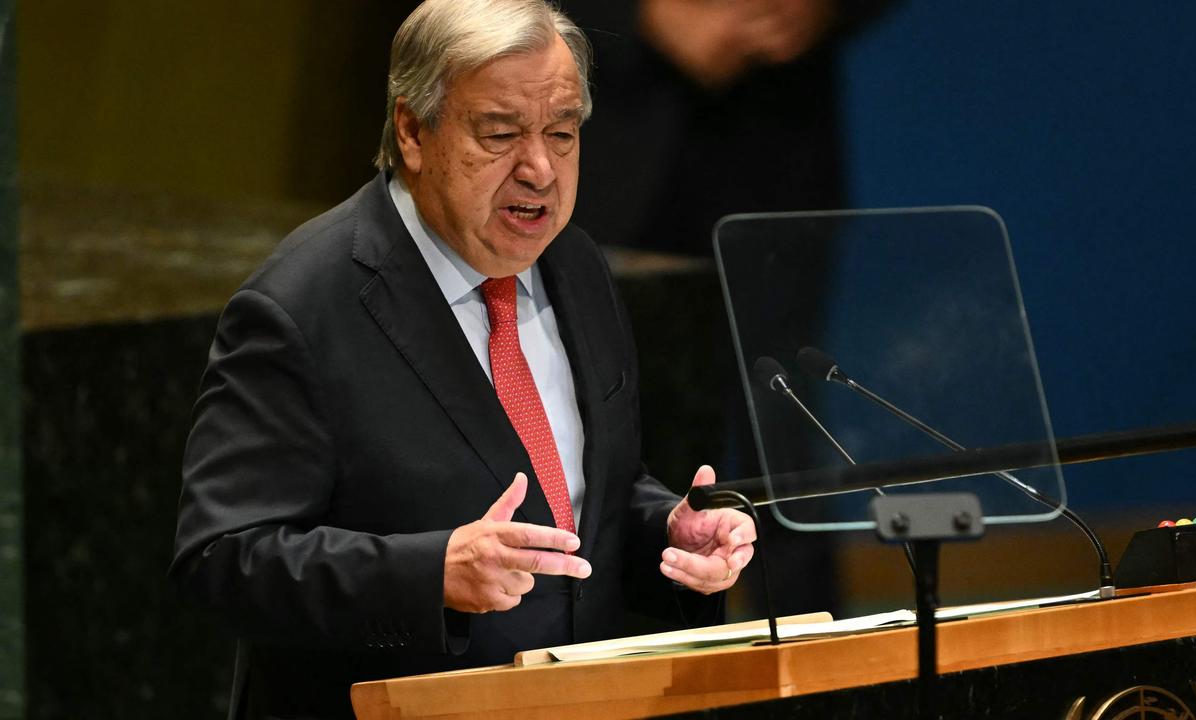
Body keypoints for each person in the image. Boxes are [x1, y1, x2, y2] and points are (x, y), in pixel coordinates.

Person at [169, 2, 756, 718]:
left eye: (563, 133)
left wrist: (667, 531)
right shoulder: (303, 306)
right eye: (501, 133)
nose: (539, 168)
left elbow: (580, 494)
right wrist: (428, 575)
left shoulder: (573, 264)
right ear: (413, 130)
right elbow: (224, 558)